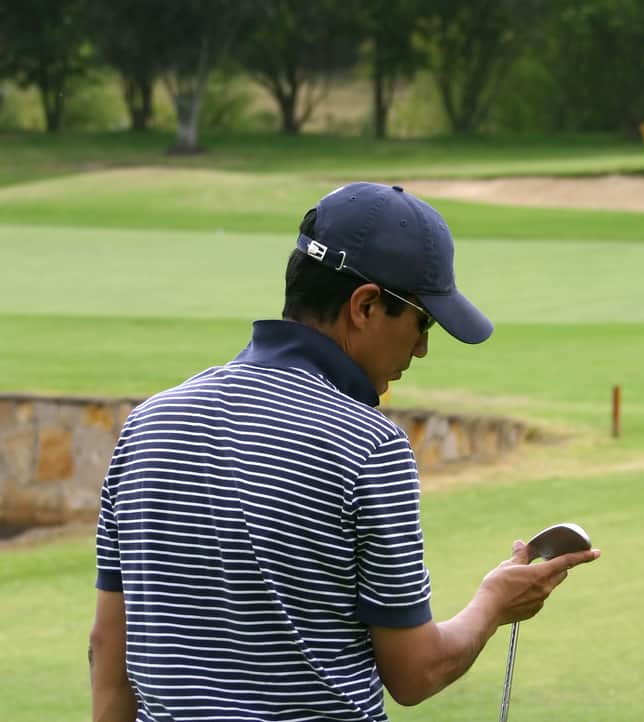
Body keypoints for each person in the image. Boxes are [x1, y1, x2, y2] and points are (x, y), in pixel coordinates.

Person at [88, 182, 600, 722]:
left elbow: (108, 647)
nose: (423, 347)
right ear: (366, 305)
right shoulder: (369, 443)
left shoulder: (150, 420)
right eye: (422, 321)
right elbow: (415, 670)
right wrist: (494, 603)